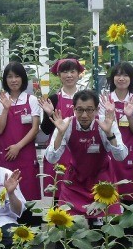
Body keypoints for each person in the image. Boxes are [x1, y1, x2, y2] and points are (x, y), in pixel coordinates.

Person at [45, 89, 128, 217]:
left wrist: (109, 134)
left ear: (96, 109)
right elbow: (51, 158)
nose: (84, 115)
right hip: (74, 182)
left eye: (89, 110)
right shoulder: (65, 124)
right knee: (66, 225)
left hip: (102, 182)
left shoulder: (106, 123)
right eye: (80, 110)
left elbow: (121, 156)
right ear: (74, 109)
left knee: (104, 228)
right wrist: (60, 134)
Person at [99, 61, 133, 203]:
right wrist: (110, 115)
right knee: (110, 195)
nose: (121, 79)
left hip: (132, 153)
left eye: (126, 75)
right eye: (118, 75)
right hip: (110, 152)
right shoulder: (104, 99)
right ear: (112, 78)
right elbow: (103, 129)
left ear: (131, 79)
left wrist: (129, 115)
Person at [0, 62, 42, 203]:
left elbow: (35, 128)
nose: (13, 80)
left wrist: (18, 147)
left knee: (28, 193)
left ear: (23, 79)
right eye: (10, 77)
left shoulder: (31, 100)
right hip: (6, 154)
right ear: (5, 80)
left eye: (17, 76)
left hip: (26, 153)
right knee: (6, 193)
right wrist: (6, 109)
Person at [39, 57, 83, 196]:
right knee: (58, 197)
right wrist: (50, 113)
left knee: (82, 195)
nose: (69, 75)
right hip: (58, 153)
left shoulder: (86, 97)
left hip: (81, 151)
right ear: (59, 75)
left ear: (78, 74)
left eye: (72, 71)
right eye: (64, 72)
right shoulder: (53, 99)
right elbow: (46, 130)